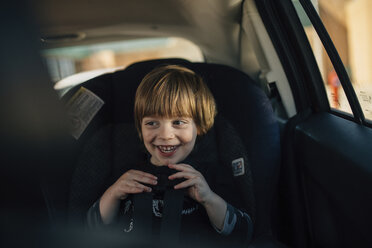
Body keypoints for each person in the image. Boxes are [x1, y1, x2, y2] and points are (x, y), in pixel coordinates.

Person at [85, 65, 253, 246]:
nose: (165, 135)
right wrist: (113, 194)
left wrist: (210, 199)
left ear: (199, 125)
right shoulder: (125, 176)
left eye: (178, 122)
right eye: (151, 123)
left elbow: (242, 233)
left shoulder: (211, 177)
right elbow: (92, 230)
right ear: (140, 128)